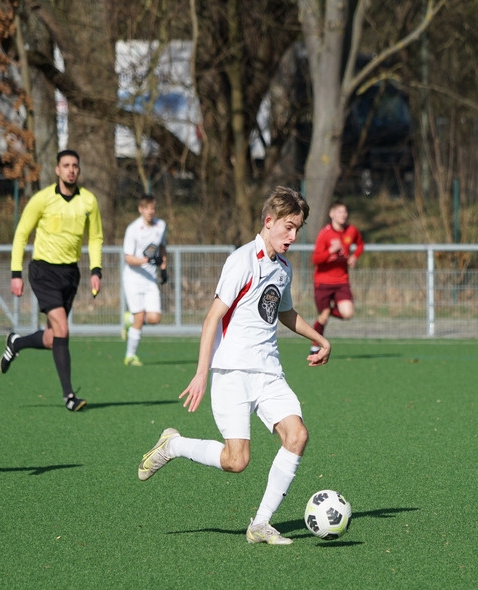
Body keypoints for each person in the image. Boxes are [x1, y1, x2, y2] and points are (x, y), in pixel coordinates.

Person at [136, 186, 330, 545]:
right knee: (236, 461)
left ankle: (260, 524)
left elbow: (285, 312)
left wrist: (319, 338)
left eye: (298, 229)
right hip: (232, 372)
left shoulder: (283, 268)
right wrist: (201, 372)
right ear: (268, 221)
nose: (293, 236)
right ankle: (173, 445)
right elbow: (212, 318)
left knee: (298, 436)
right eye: (288, 227)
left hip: (269, 372)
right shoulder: (242, 260)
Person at [0, 149, 103, 411]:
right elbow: (21, 234)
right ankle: (69, 396)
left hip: (70, 274)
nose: (71, 170)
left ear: (79, 170)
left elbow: (95, 238)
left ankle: (17, 342)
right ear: (57, 170)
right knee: (63, 329)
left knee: (52, 337)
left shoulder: (89, 201)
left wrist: (96, 269)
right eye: (66, 165)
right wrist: (15, 273)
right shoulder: (42, 199)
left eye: (74, 165)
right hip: (43, 271)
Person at [120, 193, 168, 366]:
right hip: (133, 278)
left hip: (150, 279)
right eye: (147, 208)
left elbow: (162, 247)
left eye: (153, 208)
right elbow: (128, 258)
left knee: (155, 318)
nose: (150, 211)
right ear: (140, 209)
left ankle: (129, 319)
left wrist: (164, 268)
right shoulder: (133, 229)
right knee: (140, 317)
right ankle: (130, 356)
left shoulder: (161, 225)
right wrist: (147, 260)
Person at [310, 201, 363, 352]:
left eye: (345, 212)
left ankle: (326, 311)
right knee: (323, 317)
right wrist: (330, 251)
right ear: (332, 214)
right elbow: (315, 259)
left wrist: (354, 256)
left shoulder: (351, 230)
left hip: (341, 281)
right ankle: (315, 345)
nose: (343, 215)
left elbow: (360, 244)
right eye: (340, 212)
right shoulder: (324, 234)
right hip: (323, 281)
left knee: (348, 313)